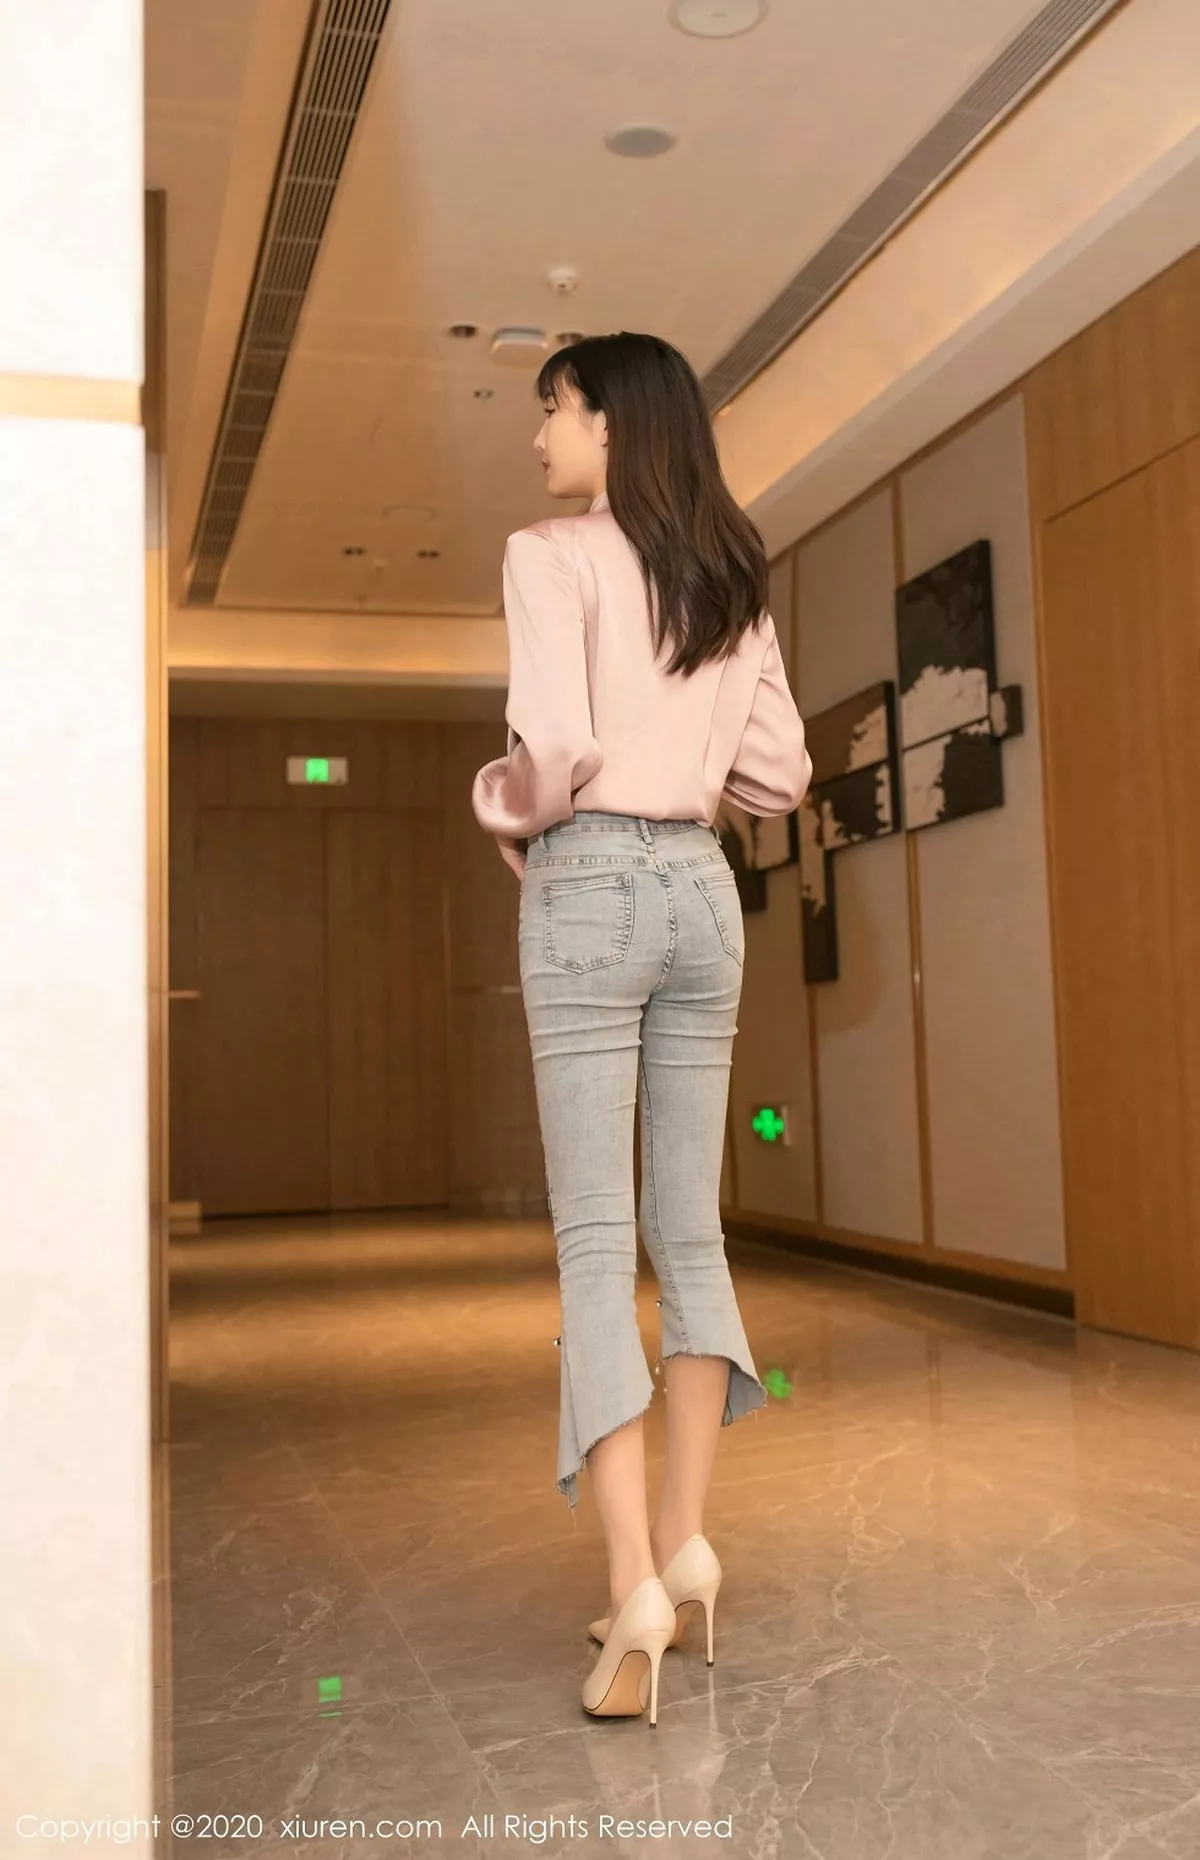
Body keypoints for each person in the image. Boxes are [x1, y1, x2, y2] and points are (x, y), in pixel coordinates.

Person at [471, 332, 812, 1726]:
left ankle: (632, 1590)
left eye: (554, 409)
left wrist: (502, 807)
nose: (540, 435)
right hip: (702, 893)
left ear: (611, 423)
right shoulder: (730, 575)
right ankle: (684, 1542)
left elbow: (552, 751)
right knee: (693, 1231)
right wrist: (691, 750)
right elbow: (780, 775)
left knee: (597, 1242)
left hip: (593, 883)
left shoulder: (548, 555)